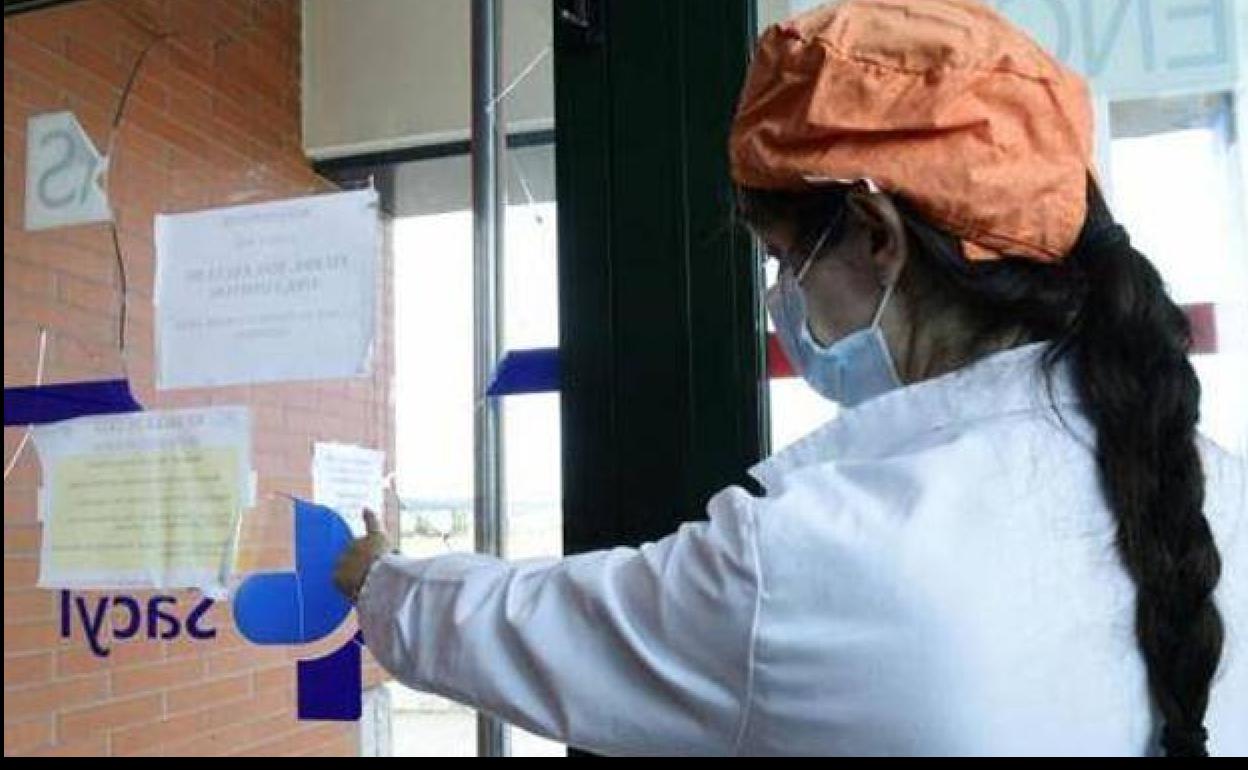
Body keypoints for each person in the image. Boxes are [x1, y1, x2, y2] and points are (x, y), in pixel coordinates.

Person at [334, 0, 1246, 756]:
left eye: (783, 259)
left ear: (878, 235)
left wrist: (384, 581)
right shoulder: (1215, 487)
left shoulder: (832, 557)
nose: (780, 299)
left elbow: (546, 629)